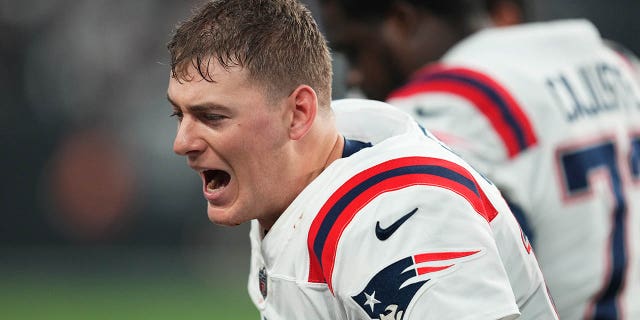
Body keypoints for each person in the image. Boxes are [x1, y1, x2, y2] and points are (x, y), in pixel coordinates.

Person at [165, 0, 558, 319]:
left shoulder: (398, 216)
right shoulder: (290, 186)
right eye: (179, 115)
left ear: (299, 113)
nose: (182, 143)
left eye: (211, 117)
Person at [318, 0, 640, 319]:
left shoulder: (445, 104)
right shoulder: (617, 62)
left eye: (355, 51)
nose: (355, 77)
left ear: (403, 20)